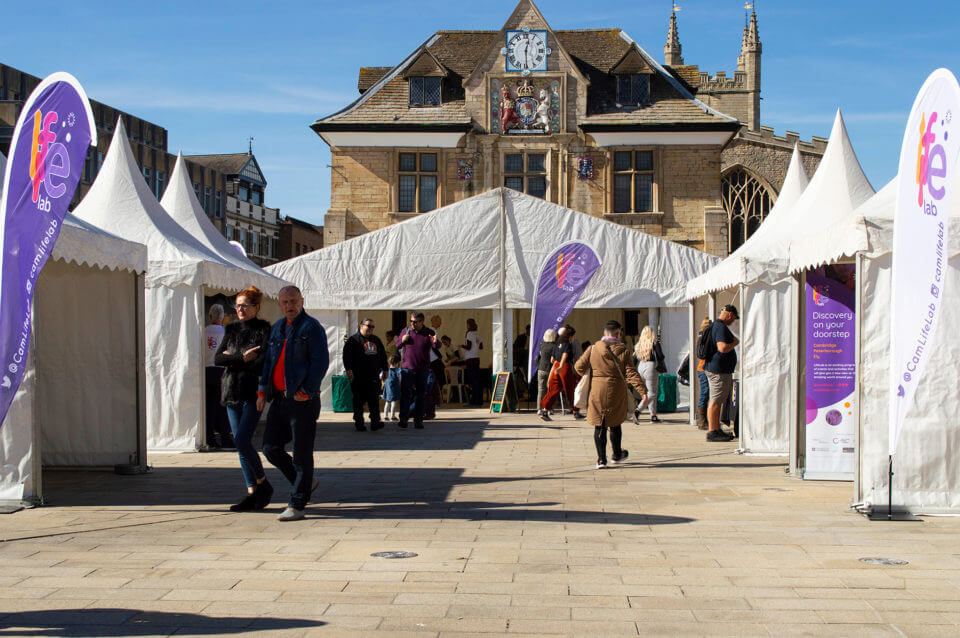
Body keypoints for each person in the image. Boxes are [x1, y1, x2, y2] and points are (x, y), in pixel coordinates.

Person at [257, 286, 329, 521]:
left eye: (293, 301)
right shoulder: (277, 328)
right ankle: (305, 484)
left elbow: (320, 362)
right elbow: (269, 361)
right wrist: (261, 391)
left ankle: (297, 503)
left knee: (301, 454)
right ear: (279, 304)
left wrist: (307, 391)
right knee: (270, 448)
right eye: (285, 302)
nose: (290, 305)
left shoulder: (311, 328)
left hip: (302, 401)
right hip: (279, 399)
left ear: (302, 301)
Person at [215, 287, 272, 512]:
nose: (240, 309)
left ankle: (262, 484)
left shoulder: (263, 329)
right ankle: (253, 491)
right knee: (241, 445)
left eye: (245, 305)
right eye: (237, 305)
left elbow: (262, 362)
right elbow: (219, 358)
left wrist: (234, 359)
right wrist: (242, 357)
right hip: (231, 391)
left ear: (256, 307)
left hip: (251, 392)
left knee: (241, 440)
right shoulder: (230, 329)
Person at [575, 320, 647, 469]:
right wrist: (642, 391)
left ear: (604, 333)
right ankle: (616, 454)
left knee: (599, 424)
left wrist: (592, 371)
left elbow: (578, 367)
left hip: (597, 390)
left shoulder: (593, 349)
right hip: (616, 390)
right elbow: (631, 372)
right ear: (619, 334)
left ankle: (601, 459)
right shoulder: (624, 351)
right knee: (615, 423)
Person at [343, 317, 388, 432]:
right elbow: (347, 356)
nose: (370, 329)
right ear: (361, 326)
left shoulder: (376, 340)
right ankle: (359, 423)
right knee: (358, 402)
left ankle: (375, 422)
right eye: (368, 326)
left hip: (373, 376)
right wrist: (348, 369)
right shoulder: (353, 340)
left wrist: (385, 370)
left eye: (372, 327)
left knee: (374, 401)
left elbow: (382, 355)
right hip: (358, 377)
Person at [396, 311, 439, 428]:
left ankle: (418, 420)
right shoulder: (406, 331)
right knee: (405, 395)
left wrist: (435, 341)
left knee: (421, 395)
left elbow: (436, 345)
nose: (412, 324)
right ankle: (403, 419)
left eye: (415, 322)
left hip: (422, 369)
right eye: (411, 321)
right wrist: (402, 340)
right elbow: (397, 345)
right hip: (407, 369)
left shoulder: (428, 332)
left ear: (421, 322)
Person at [704, 305, 739, 442]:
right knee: (715, 401)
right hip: (718, 370)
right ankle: (713, 431)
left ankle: (716, 428)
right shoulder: (720, 327)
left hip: (717, 369)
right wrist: (734, 343)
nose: (733, 321)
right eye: (734, 318)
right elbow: (722, 347)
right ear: (730, 315)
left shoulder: (716, 326)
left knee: (716, 401)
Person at [204, 304, 234, 450]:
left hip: (207, 371)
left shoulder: (203, 332)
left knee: (208, 407)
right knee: (222, 407)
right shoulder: (225, 332)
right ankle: (225, 439)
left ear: (210, 316)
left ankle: (209, 438)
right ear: (222, 317)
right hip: (221, 371)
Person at [540, 327, 582, 419]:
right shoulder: (568, 344)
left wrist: (557, 365)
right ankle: (576, 412)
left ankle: (544, 410)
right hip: (564, 367)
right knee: (570, 389)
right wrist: (561, 366)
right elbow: (565, 354)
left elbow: (552, 359)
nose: (574, 338)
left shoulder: (557, 343)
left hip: (555, 366)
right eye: (573, 336)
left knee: (553, 389)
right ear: (570, 336)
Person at [633, 326, 661, 423]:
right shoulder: (654, 343)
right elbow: (660, 356)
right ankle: (638, 410)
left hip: (641, 366)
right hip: (651, 366)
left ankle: (653, 415)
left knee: (649, 392)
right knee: (652, 393)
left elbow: (634, 359)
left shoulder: (639, 344)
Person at [534, 329, 557, 420]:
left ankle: (539, 409)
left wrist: (538, 366)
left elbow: (538, 357)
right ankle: (549, 408)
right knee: (550, 390)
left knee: (541, 389)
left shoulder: (541, 345)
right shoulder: (554, 346)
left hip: (541, 369)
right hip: (550, 369)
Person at [461, 318, 484, 406]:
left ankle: (473, 401)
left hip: (470, 359)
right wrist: (476, 346)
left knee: (472, 381)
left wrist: (462, 345)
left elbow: (469, 347)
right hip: (476, 358)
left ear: (469, 325)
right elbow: (481, 346)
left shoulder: (469, 333)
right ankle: (479, 400)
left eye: (467, 324)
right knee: (477, 380)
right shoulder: (478, 334)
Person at [695, 317, 712, 430]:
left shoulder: (700, 337)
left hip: (703, 368)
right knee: (705, 393)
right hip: (703, 368)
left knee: (706, 393)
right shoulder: (704, 337)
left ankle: (704, 420)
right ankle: (702, 420)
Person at [382, 354, 401, 421]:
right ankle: (392, 416)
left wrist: (383, 381)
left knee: (387, 402)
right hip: (394, 388)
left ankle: (385, 416)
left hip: (387, 388)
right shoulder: (398, 370)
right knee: (393, 402)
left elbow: (381, 375)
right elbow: (400, 379)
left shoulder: (386, 370)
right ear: (397, 363)